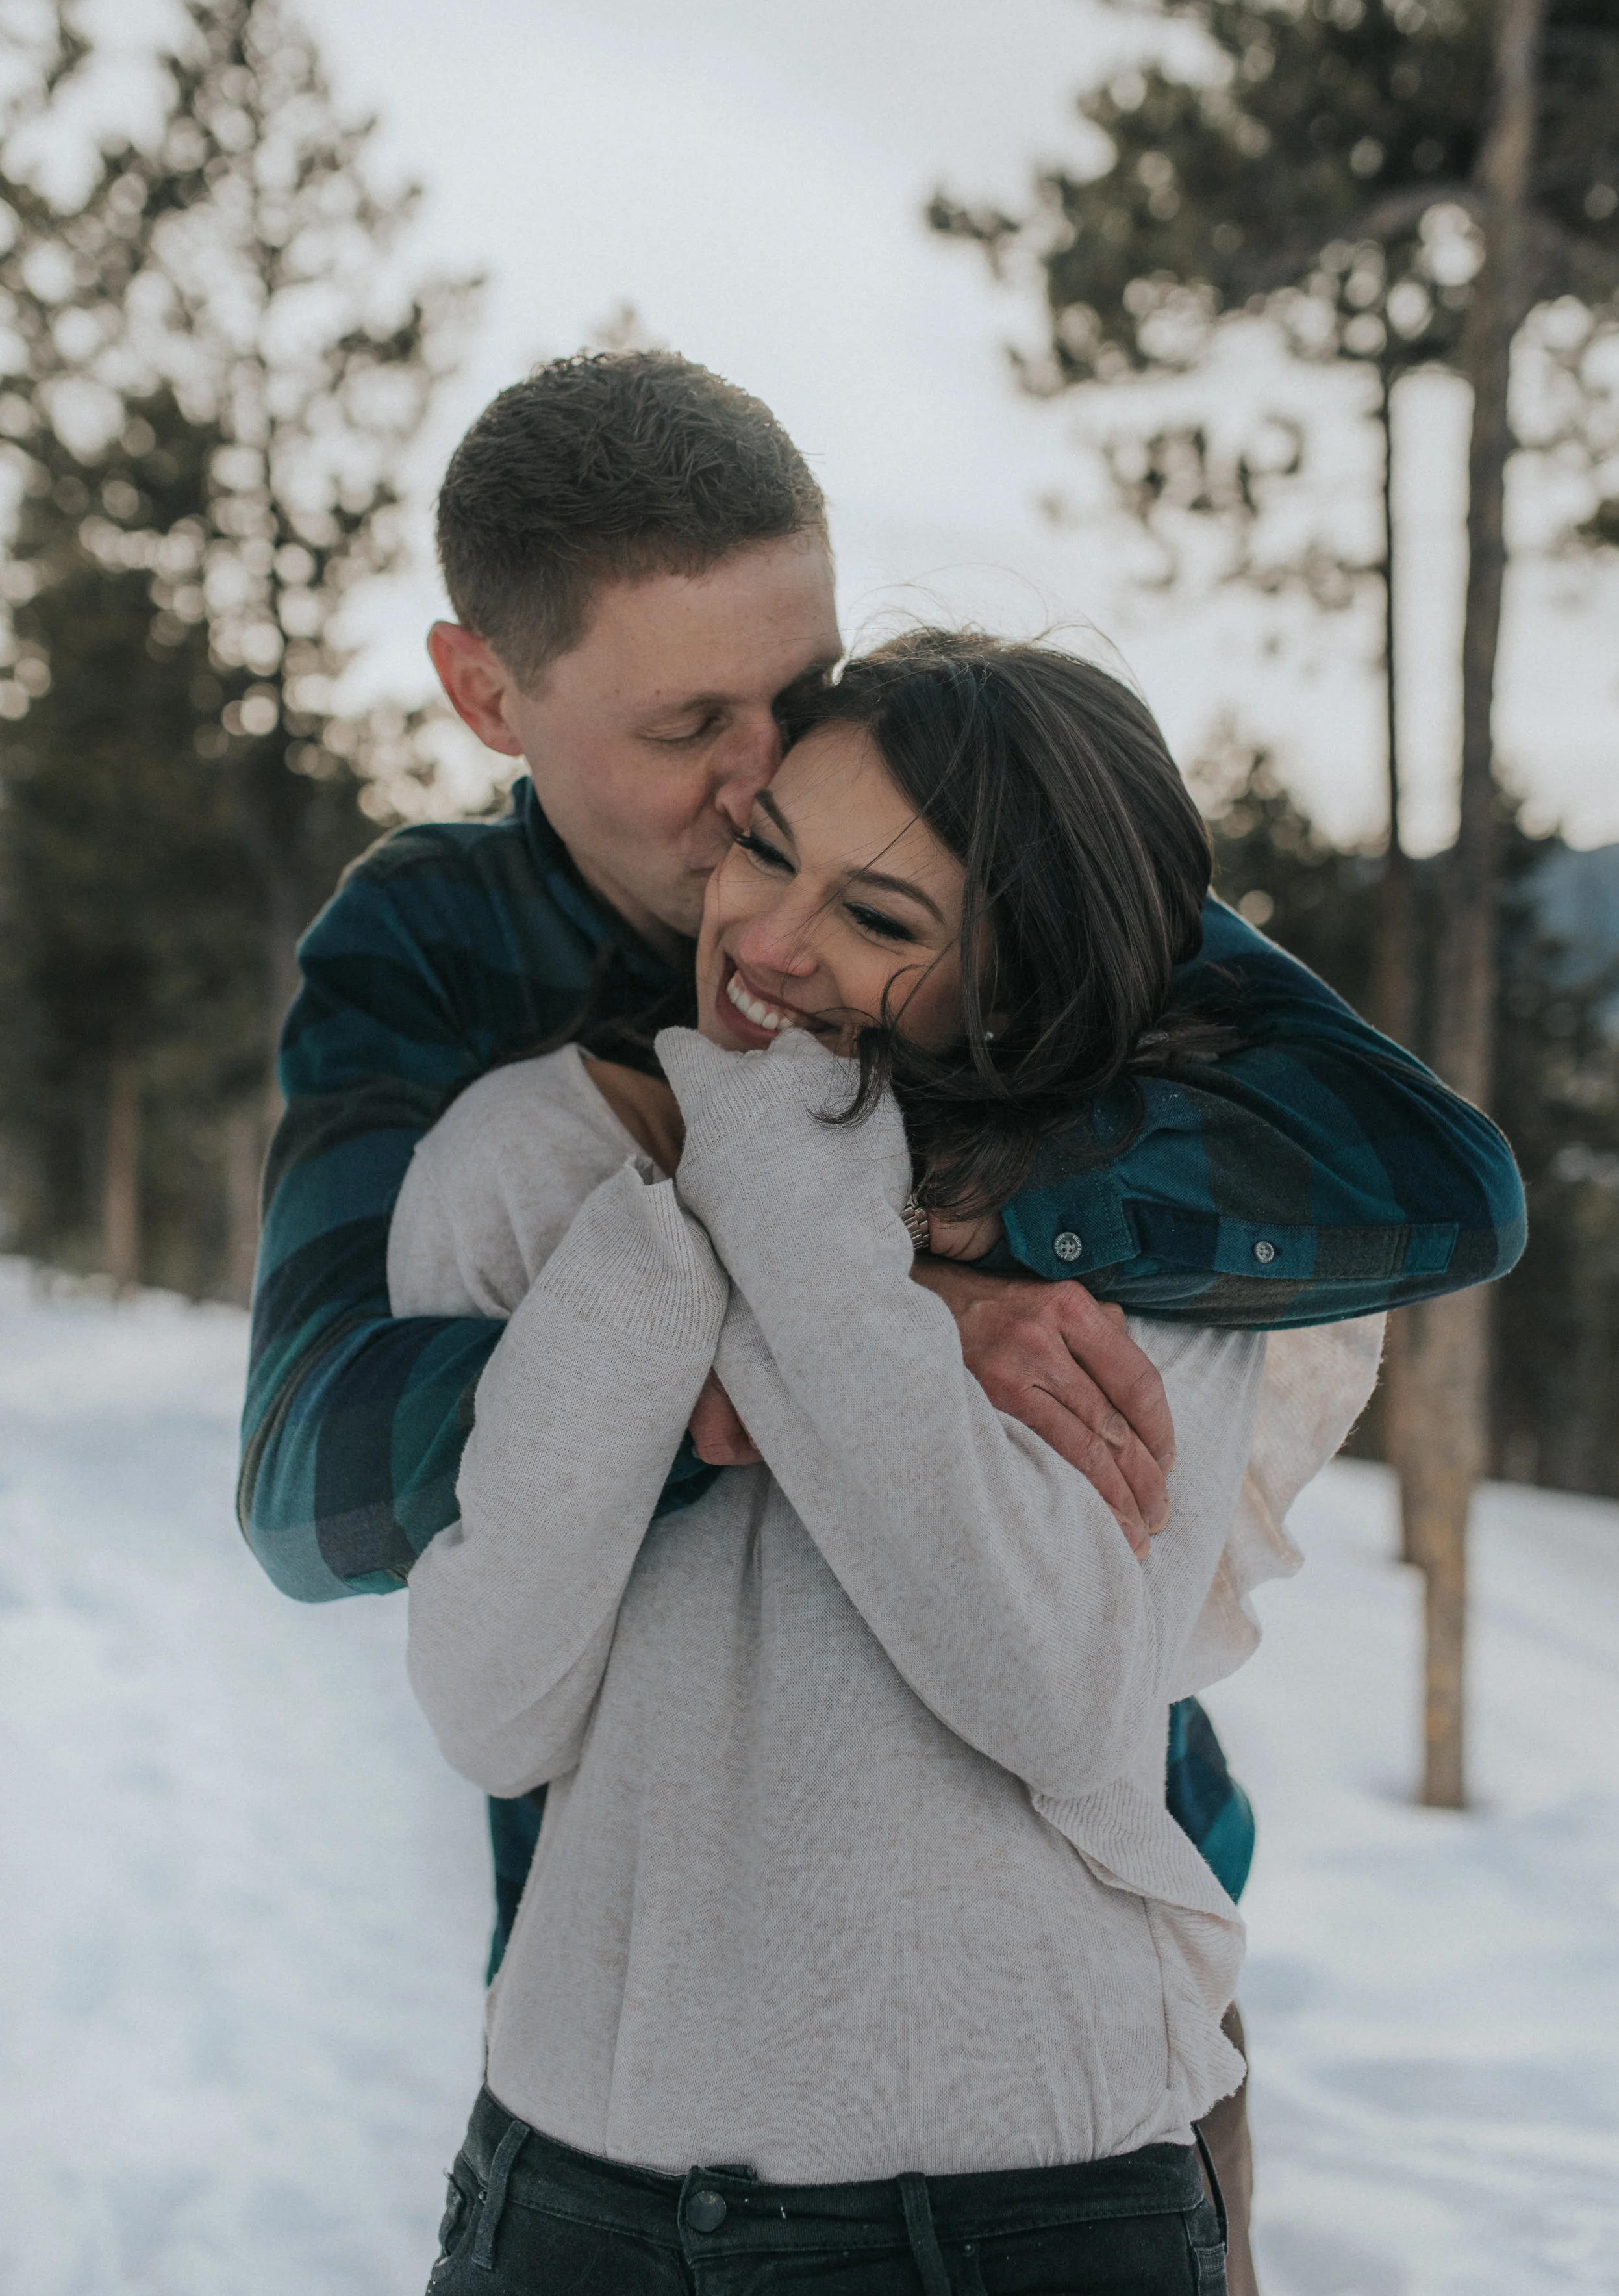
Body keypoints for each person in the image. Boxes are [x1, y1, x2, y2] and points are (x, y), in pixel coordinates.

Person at [239, 353, 1524, 2290]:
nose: (767, 771)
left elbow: (1426, 1177)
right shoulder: (433, 957)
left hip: (1058, 2052)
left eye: (802, 682)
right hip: (630, 2041)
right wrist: (834, 1301)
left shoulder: (970, 827)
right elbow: (315, 1468)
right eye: (691, 730)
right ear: (487, 695)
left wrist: (962, 1202)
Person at [395, 633, 1384, 2292]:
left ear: (1016, 980)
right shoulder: (529, 1159)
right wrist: (682, 1246)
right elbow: (489, 1701)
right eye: (768, 848)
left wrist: (795, 1193)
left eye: (880, 918)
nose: (768, 941)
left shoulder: (1151, 1222)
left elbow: (1054, 1688)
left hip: (1018, 2215)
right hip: (568, 2205)